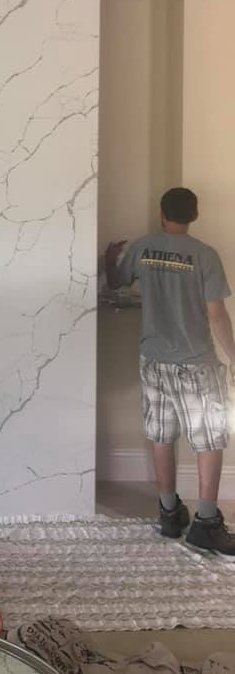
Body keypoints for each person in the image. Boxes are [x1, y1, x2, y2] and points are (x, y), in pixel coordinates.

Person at [105, 187, 235, 554]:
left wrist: (110, 260)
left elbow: (116, 283)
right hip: (196, 363)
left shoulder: (144, 247)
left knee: (161, 435)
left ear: (162, 213)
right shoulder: (205, 255)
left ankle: (168, 513)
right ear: (194, 215)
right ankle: (207, 523)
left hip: (154, 361)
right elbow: (217, 314)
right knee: (208, 439)